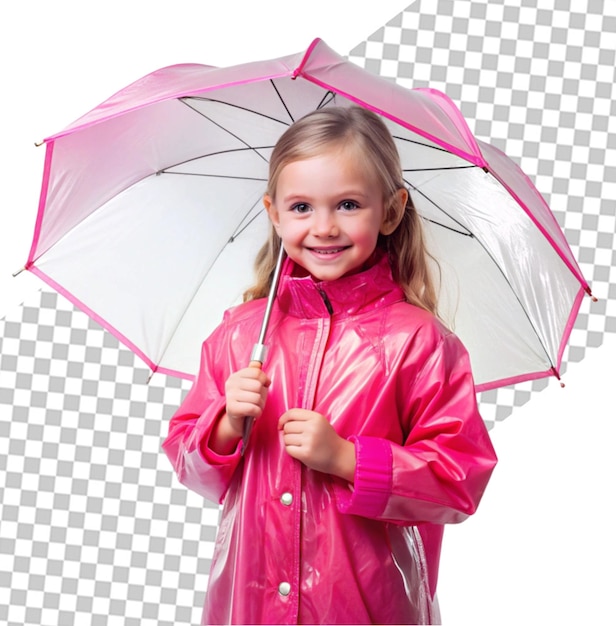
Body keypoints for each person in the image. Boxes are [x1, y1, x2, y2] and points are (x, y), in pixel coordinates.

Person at [162, 106, 497, 625]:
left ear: (390, 210)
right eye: (301, 207)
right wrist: (226, 424)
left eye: (347, 204)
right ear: (273, 213)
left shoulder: (418, 342)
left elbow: (458, 481)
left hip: (366, 607)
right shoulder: (239, 335)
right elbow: (192, 466)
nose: (323, 227)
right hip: (249, 606)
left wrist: (347, 458)